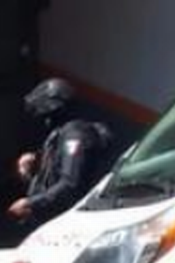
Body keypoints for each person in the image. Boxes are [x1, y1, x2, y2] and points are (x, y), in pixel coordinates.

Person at [8, 77, 113, 225]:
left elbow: (70, 183)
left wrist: (31, 203)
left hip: (64, 220)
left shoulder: (75, 135)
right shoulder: (62, 132)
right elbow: (56, 162)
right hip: (48, 215)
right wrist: (35, 160)